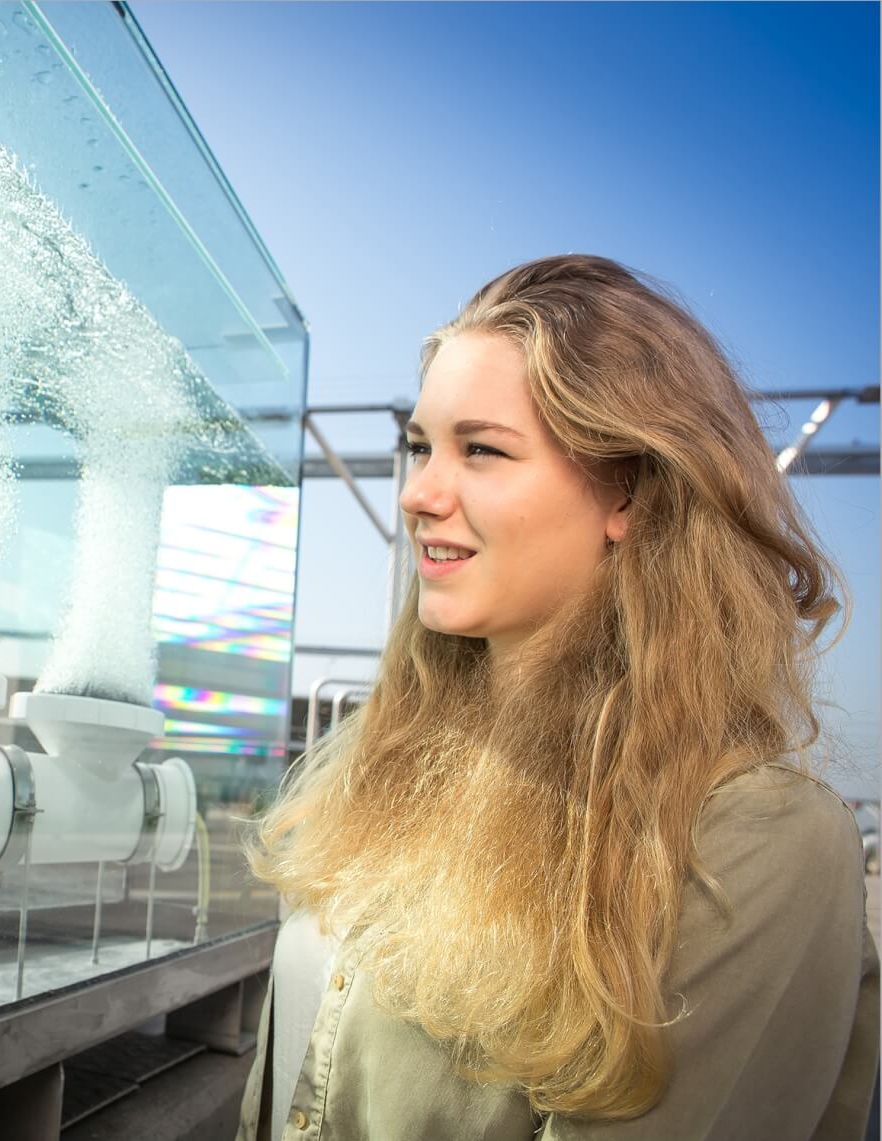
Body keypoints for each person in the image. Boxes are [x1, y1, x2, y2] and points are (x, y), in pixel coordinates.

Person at [235, 254, 879, 1140]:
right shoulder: (379, 762)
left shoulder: (757, 843)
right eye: (422, 446)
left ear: (629, 489)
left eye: (482, 449)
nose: (419, 492)